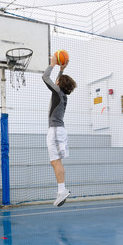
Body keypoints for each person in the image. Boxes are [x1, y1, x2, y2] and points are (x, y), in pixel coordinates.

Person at [42, 53, 77, 207]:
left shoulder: (57, 92)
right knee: (55, 161)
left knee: (55, 161)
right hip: (58, 130)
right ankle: (61, 189)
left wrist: (53, 64)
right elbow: (57, 81)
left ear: (58, 84)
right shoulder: (61, 94)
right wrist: (62, 70)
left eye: (57, 80)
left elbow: (45, 77)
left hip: (55, 131)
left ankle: (62, 190)